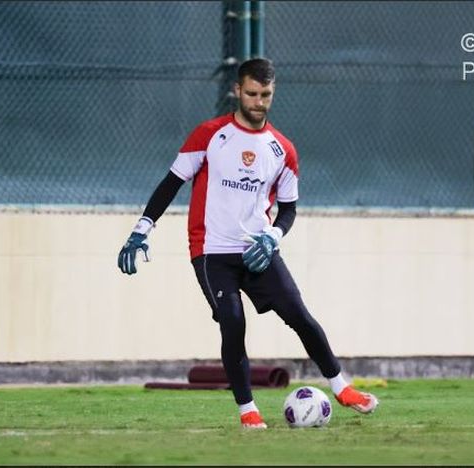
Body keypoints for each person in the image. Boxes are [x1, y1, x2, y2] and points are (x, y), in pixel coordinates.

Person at [118, 58, 379, 429]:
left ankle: (342, 387)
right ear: (237, 91)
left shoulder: (283, 149)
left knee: (301, 316)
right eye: (252, 93)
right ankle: (248, 411)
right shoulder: (208, 135)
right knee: (233, 321)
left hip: (258, 251)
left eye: (266, 95)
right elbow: (171, 183)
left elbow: (288, 209)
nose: (259, 101)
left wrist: (273, 236)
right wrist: (143, 227)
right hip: (211, 251)